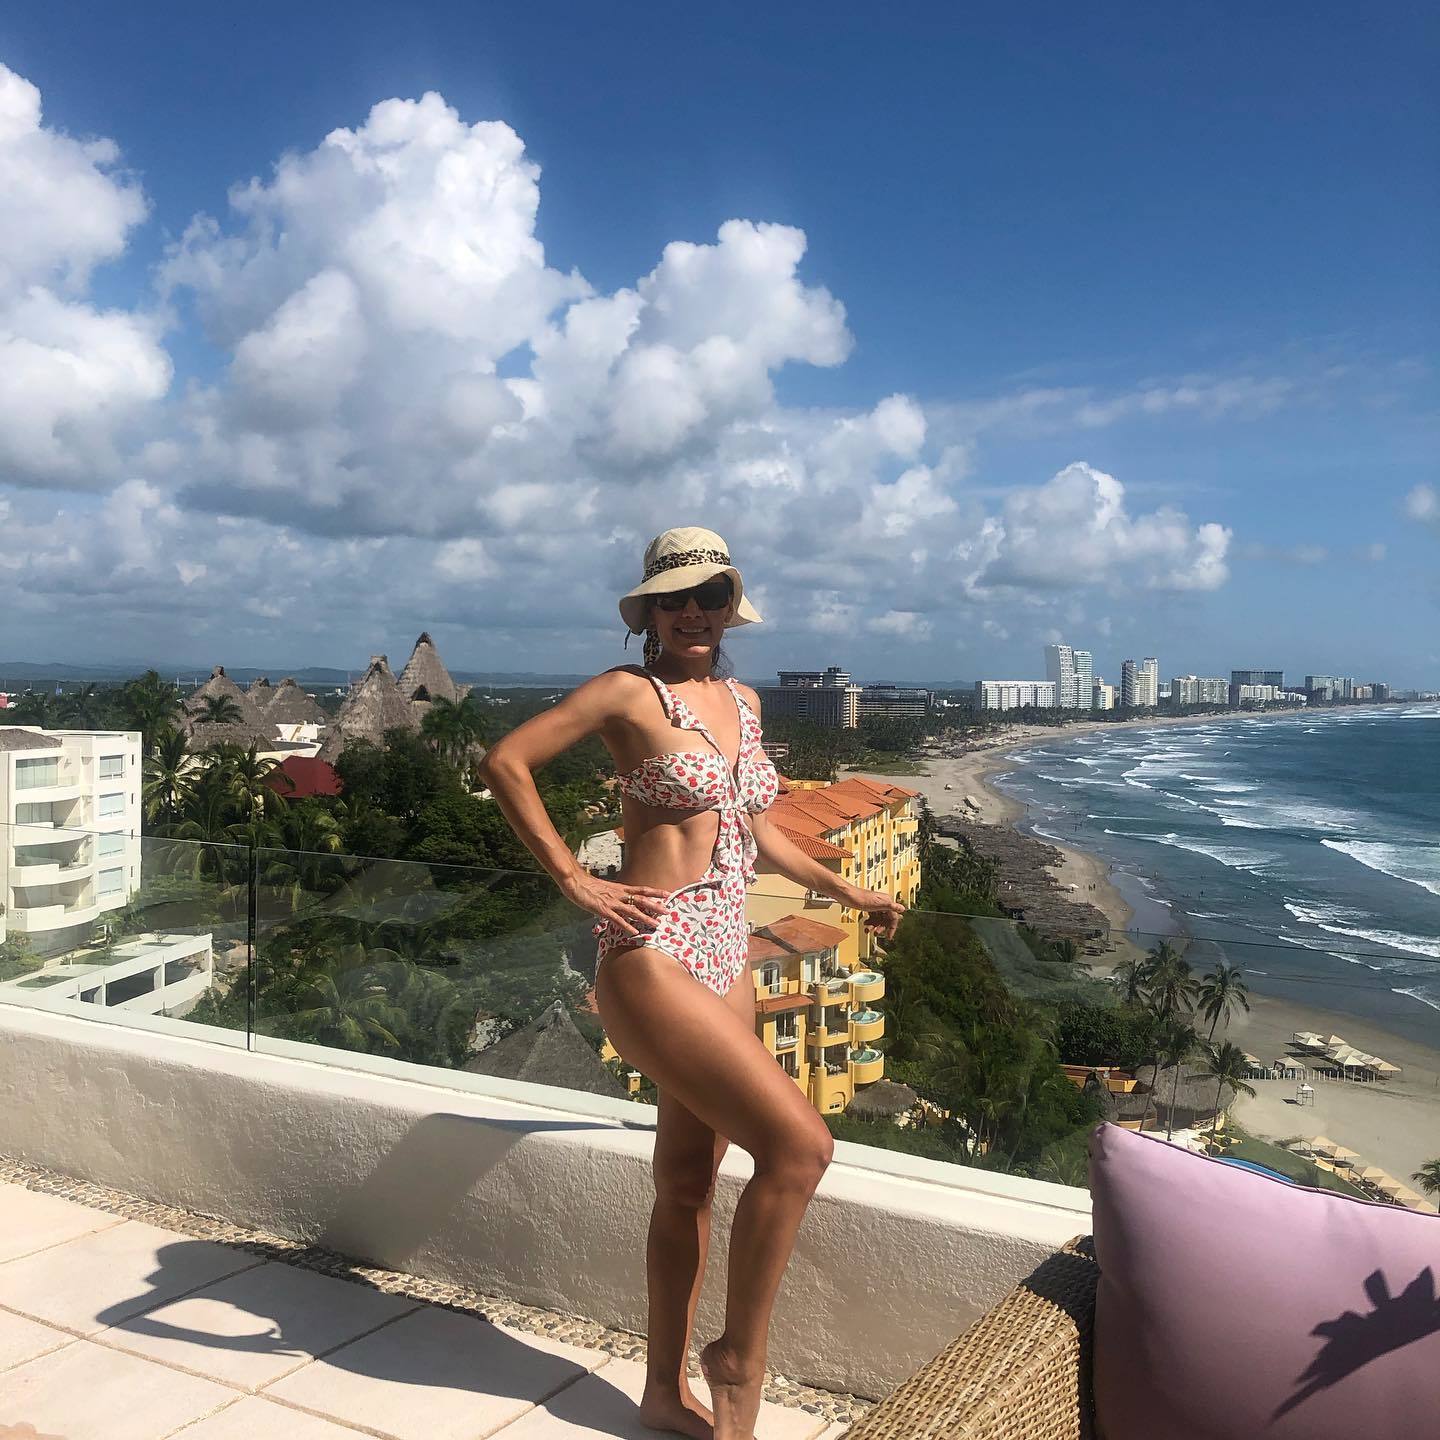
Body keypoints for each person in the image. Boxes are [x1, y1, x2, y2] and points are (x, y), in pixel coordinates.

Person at [479, 527, 906, 1439]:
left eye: (710, 595)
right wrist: (574, 877)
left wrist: (848, 890)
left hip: (727, 949)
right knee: (800, 1148)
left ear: (729, 607)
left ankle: (662, 1392)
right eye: (674, 598)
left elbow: (758, 831)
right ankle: (739, 1361)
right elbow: (505, 763)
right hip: (655, 947)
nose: (693, 612)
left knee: (685, 1184)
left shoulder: (744, 702)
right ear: (649, 613)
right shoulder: (627, 693)